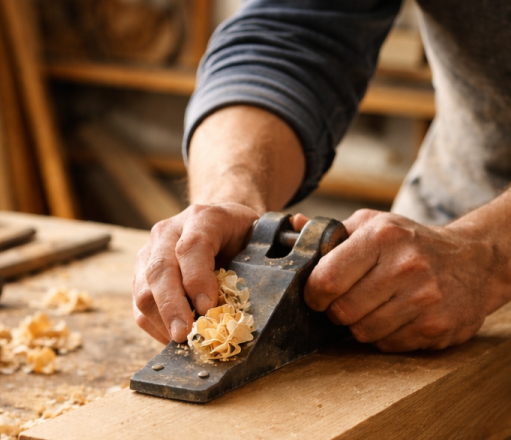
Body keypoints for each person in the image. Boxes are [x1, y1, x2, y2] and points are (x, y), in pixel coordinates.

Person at [132, 0, 511, 352]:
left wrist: (488, 253)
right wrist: (231, 192)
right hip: (438, 244)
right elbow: (292, 32)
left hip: (473, 257)